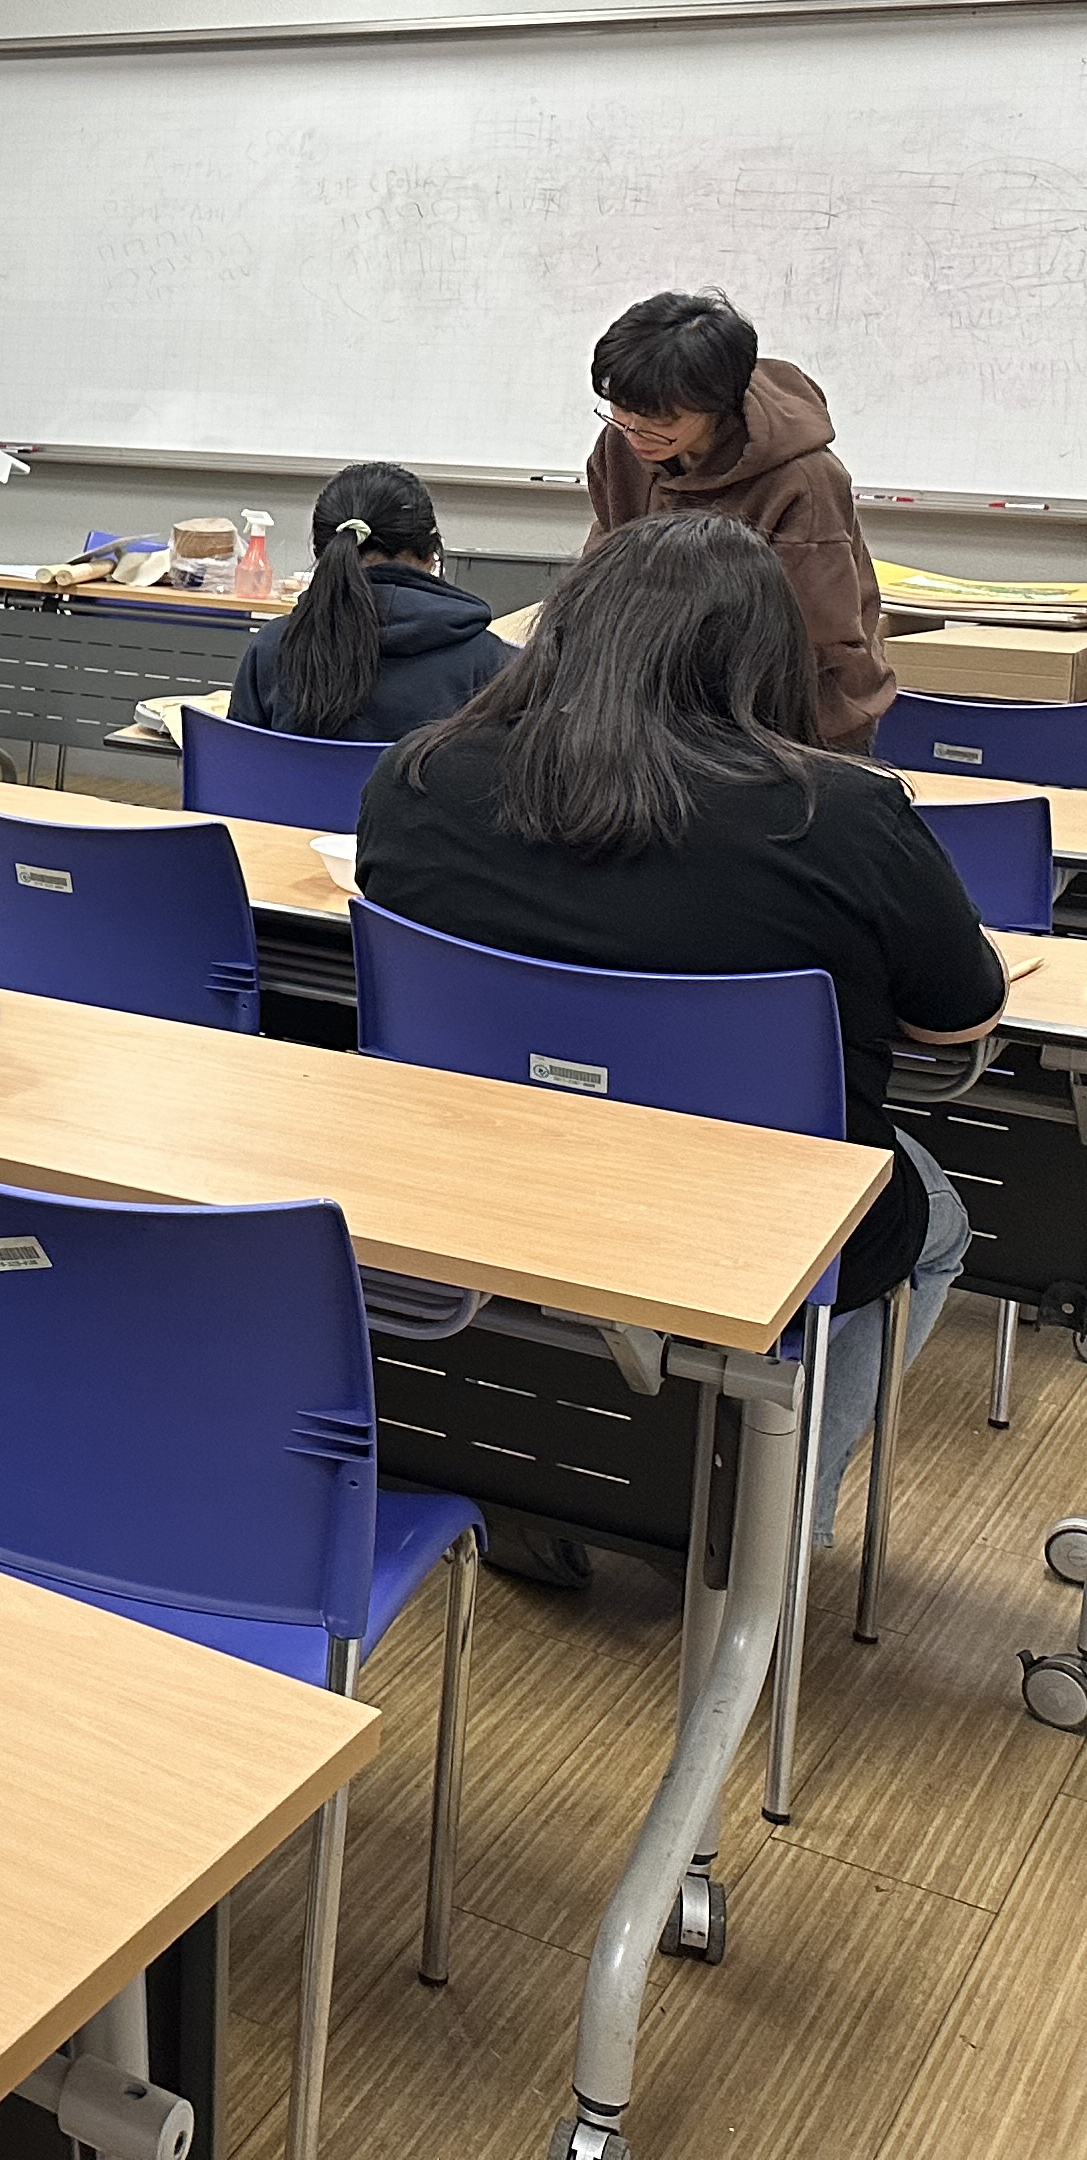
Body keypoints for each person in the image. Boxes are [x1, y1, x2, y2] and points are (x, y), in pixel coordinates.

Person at [359, 512, 992, 1572]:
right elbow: (956, 1019)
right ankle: (770, 1530)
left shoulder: (417, 778)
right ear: (766, 656)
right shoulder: (844, 814)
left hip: (480, 1179)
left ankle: (537, 1482)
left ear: (566, 630)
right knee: (934, 1212)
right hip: (748, 1218)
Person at [586, 289, 893, 748]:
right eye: (619, 409)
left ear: (717, 404)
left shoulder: (804, 481)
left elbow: (815, 635)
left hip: (794, 715)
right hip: (662, 701)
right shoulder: (623, 444)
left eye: (661, 420)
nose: (634, 431)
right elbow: (603, 572)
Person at [227, 462, 515, 743]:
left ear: (321, 552)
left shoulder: (273, 646)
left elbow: (236, 760)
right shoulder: (487, 660)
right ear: (430, 553)